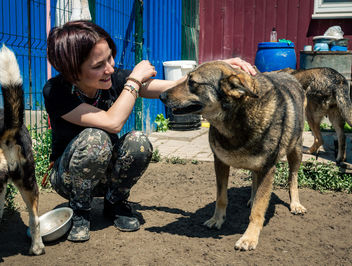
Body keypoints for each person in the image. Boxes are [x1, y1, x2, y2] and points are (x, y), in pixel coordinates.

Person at [43, 20, 256, 242]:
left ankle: (115, 202)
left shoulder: (113, 78)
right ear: (72, 72)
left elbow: (172, 87)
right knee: (96, 137)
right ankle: (79, 210)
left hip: (104, 172)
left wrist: (220, 67)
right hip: (67, 177)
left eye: (110, 57)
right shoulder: (56, 91)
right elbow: (112, 122)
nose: (110, 68)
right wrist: (134, 80)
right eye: (98, 65)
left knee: (138, 141)